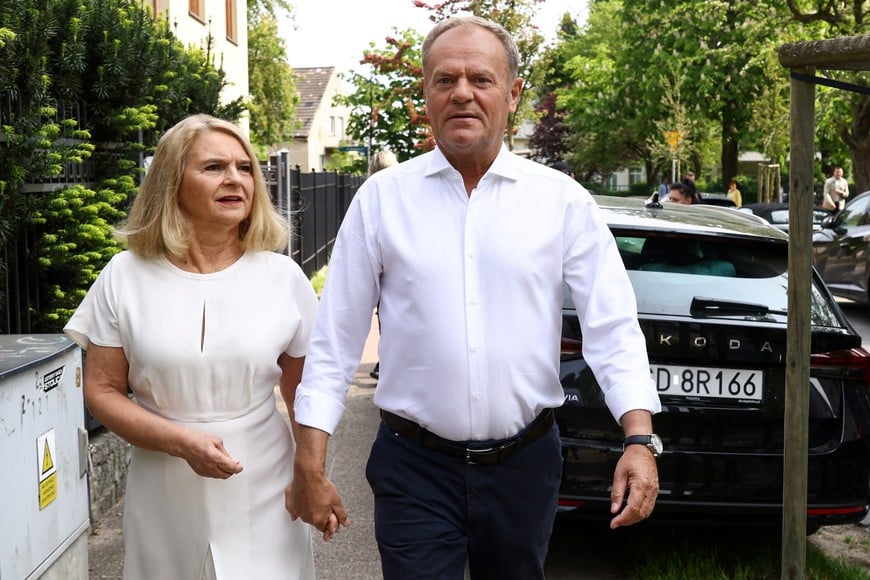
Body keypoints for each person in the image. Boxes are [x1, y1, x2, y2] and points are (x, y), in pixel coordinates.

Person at [287, 15, 661, 580]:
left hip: (525, 468)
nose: (462, 92)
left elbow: (611, 328)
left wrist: (639, 439)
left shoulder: (561, 202)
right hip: (413, 467)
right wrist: (309, 462)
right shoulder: (381, 201)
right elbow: (335, 342)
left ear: (512, 94)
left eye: (480, 79)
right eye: (445, 79)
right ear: (426, 94)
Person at [64, 114, 319, 579]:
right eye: (214, 167)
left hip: (264, 478)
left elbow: (305, 392)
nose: (235, 179)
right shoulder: (124, 276)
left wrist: (313, 475)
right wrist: (180, 441)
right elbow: (100, 391)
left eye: (245, 168)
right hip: (162, 480)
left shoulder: (283, 277)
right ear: (171, 182)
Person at [367, 149, 399, 381]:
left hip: (379, 268)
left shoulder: (368, 195)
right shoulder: (404, 193)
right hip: (399, 269)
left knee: (384, 317)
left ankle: (384, 362)